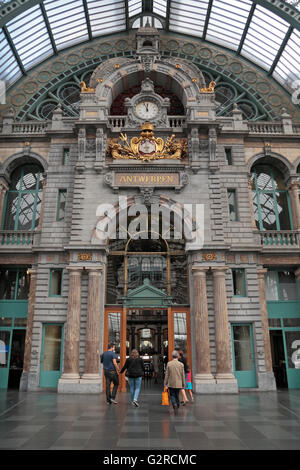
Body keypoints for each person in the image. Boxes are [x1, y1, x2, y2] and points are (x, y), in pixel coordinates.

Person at [164, 350, 185, 415]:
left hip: (171, 382)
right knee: (177, 394)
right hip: (179, 382)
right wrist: (183, 383)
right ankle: (177, 405)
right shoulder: (181, 364)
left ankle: (174, 404)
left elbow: (167, 374)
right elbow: (182, 375)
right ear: (177, 356)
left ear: (172, 356)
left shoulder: (169, 363)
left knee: (172, 395)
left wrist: (165, 383)